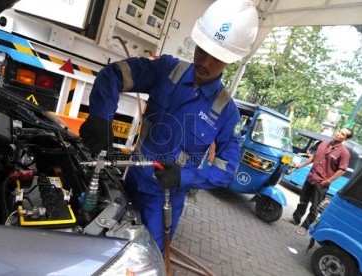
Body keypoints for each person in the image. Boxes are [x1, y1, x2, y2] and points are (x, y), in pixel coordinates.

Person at [79, 0, 259, 252]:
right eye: (202, 50)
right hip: (130, 181)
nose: (205, 62)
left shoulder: (226, 113)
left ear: (229, 61)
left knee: (144, 257)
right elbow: (114, 74)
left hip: (164, 200)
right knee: (99, 242)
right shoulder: (166, 70)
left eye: (216, 58)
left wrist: (184, 177)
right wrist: (100, 116)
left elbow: (227, 168)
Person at [284, 128, 353, 236]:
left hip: (321, 183)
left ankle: (305, 227)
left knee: (314, 207)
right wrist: (300, 165)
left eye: (342, 134)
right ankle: (295, 219)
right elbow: (313, 157)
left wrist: (328, 181)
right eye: (339, 131)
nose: (338, 134)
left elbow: (342, 170)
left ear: (346, 139)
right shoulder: (323, 144)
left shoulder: (344, 153)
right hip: (310, 178)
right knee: (303, 200)